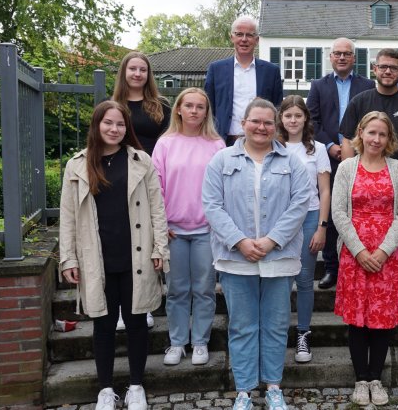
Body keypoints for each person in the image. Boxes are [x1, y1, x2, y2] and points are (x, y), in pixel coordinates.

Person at [202, 98, 312, 410]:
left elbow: (300, 204)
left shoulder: (292, 162)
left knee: (276, 325)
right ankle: (244, 391)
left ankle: (274, 387)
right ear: (243, 124)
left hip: (279, 258)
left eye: (267, 122)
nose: (261, 127)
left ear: (275, 126)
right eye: (255, 121)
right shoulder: (221, 160)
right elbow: (212, 205)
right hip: (235, 258)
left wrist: (272, 240)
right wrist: (239, 241)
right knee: (242, 325)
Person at [58, 100, 169, 410]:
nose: (114, 129)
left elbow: (157, 208)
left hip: (136, 256)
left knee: (136, 323)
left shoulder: (141, 161)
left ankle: (136, 386)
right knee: (103, 325)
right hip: (97, 260)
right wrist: (68, 258)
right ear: (97, 125)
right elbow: (67, 216)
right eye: (108, 123)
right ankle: (105, 389)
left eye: (120, 124)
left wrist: (161, 247)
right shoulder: (77, 165)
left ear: (127, 128)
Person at [340, 48, 398, 329]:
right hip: (362, 187)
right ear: (374, 69)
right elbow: (347, 137)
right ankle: (363, 303)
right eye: (383, 66)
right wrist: (351, 172)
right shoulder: (360, 101)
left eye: (393, 67)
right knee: (360, 244)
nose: (388, 71)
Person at [332, 111, 398, 406]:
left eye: (382, 134)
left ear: (389, 138)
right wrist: (359, 251)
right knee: (358, 320)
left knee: (382, 319)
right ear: (361, 133)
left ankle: (376, 378)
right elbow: (339, 212)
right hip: (355, 254)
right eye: (371, 132)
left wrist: (382, 251)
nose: (376, 139)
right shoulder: (346, 168)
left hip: (387, 255)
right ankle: (361, 379)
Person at [151, 88, 225, 367]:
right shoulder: (166, 143)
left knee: (205, 289)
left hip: (207, 229)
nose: (194, 111)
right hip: (174, 230)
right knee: (177, 289)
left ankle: (201, 342)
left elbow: (224, 188)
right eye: (189, 106)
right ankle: (178, 342)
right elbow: (155, 186)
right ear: (179, 109)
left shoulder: (217, 145)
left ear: (206, 112)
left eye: (200, 107)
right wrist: (160, 225)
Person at [307, 37, 375, 290]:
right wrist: (330, 146)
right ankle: (332, 268)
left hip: (362, 157)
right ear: (331, 57)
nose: (342, 57)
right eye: (338, 53)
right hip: (330, 157)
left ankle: (357, 263)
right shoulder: (318, 85)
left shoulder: (368, 85)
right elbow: (312, 121)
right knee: (334, 212)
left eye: (347, 53)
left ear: (354, 58)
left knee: (358, 211)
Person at [111, 51, 169, 330]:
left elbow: (170, 142)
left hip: (151, 178)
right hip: (121, 179)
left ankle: (143, 304)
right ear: (124, 72)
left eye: (142, 70)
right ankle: (124, 309)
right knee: (125, 242)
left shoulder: (160, 106)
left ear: (148, 75)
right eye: (132, 69)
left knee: (147, 241)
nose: (137, 74)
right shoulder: (112, 106)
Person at [276, 94, 332, 363]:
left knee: (305, 278)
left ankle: (303, 334)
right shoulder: (274, 146)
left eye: (298, 115)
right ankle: (278, 332)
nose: (293, 120)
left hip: (310, 216)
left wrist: (322, 226)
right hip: (280, 219)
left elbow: (324, 190)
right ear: (281, 119)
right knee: (281, 279)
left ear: (306, 119)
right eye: (288, 115)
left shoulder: (317, 149)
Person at [204, 16, 284, 145]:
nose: (244, 39)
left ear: (257, 40)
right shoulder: (216, 69)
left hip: (260, 140)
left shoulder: (271, 71)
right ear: (232, 37)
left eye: (249, 35)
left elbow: (277, 108)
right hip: (223, 141)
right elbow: (208, 107)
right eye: (239, 34)